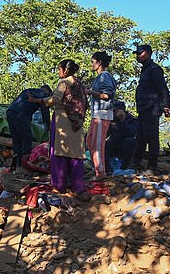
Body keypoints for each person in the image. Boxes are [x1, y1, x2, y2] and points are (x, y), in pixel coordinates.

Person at [29, 59, 90, 201]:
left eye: (59, 69)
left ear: (65, 70)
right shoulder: (79, 84)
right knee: (76, 156)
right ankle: (78, 188)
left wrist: (38, 101)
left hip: (63, 122)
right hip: (77, 124)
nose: (58, 72)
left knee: (59, 153)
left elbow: (55, 99)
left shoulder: (64, 83)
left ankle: (59, 186)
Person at [130, 44, 170, 173]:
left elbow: (162, 88)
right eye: (137, 53)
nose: (138, 56)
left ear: (148, 53)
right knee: (141, 137)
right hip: (143, 108)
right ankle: (135, 164)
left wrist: (166, 105)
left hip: (152, 108)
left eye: (140, 53)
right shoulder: (145, 70)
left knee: (152, 137)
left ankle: (152, 166)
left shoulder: (155, 69)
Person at [85, 51, 117, 180]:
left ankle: (100, 172)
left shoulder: (104, 76)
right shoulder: (100, 77)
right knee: (90, 141)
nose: (92, 64)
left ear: (99, 63)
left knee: (97, 144)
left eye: (93, 62)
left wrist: (90, 92)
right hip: (96, 113)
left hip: (102, 114)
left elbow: (106, 95)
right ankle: (97, 167)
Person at [6, 85, 52, 171]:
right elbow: (44, 110)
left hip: (10, 112)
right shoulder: (43, 94)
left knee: (17, 138)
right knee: (27, 137)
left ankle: (16, 164)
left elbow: (28, 111)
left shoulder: (30, 91)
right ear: (48, 92)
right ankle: (25, 163)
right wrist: (48, 125)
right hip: (20, 114)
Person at [105, 101, 138, 172]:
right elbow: (105, 135)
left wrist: (123, 121)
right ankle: (108, 169)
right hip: (114, 146)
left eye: (114, 111)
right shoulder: (111, 120)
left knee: (129, 141)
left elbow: (131, 134)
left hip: (125, 148)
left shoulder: (132, 120)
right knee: (104, 144)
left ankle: (124, 167)